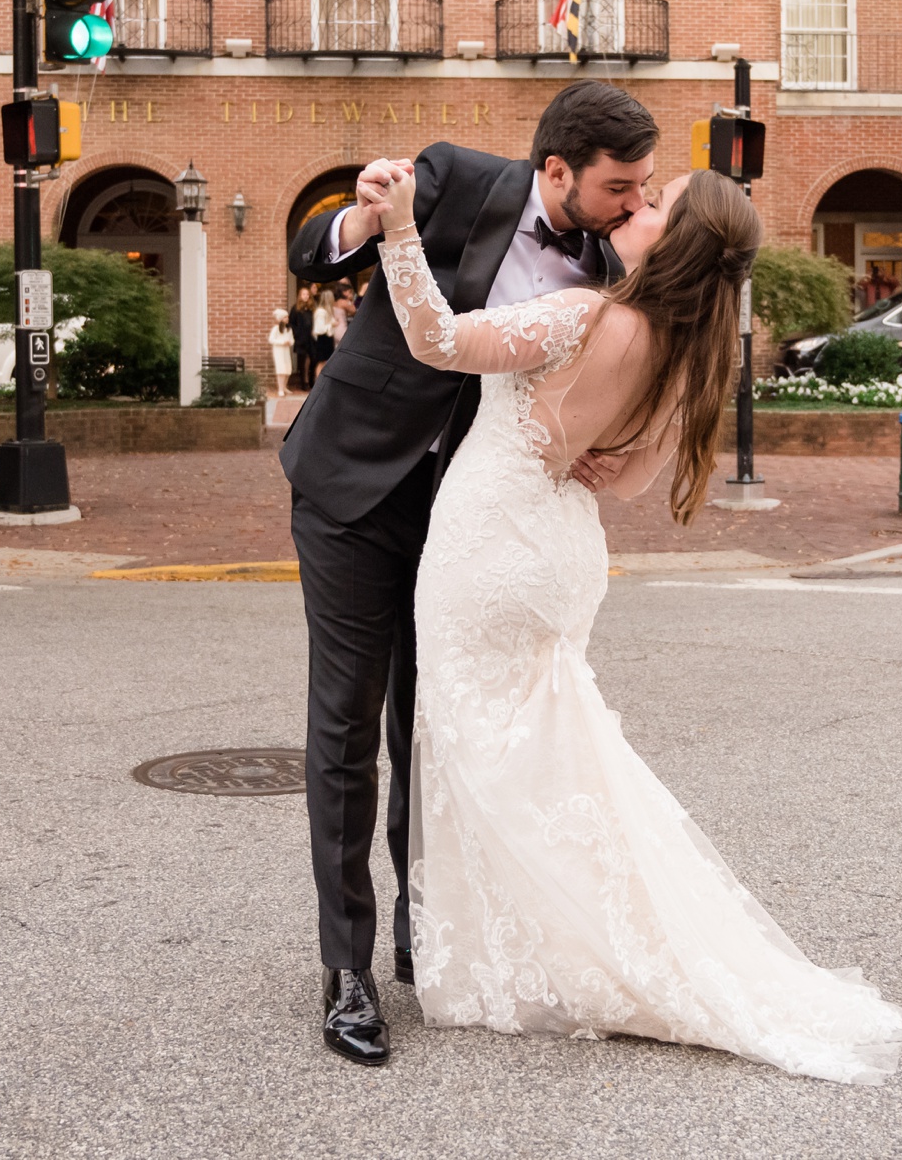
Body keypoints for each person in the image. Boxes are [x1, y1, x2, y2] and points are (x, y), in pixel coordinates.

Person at [372, 164, 902, 1085]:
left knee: (477, 748)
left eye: (656, 203)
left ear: (672, 241)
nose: (638, 207)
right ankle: (562, 937)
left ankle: (517, 952)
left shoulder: (587, 315)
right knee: (550, 752)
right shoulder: (686, 354)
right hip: (565, 553)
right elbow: (624, 481)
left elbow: (434, 339)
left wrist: (396, 230)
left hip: (491, 540)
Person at [282, 79, 657, 1067]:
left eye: (642, 188)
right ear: (556, 170)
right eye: (620, 185)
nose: (630, 203)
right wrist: (366, 213)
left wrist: (593, 446)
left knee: (436, 723)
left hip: (470, 522)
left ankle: (425, 934)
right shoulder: (452, 179)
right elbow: (312, 251)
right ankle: (347, 968)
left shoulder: (607, 269)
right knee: (347, 718)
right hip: (354, 489)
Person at [290, 286, 316, 389]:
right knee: (303, 361)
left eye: (307, 294)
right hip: (301, 339)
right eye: (303, 294)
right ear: (300, 296)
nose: (305, 296)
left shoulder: (312, 308)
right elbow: (291, 323)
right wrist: (297, 333)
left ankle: (311, 380)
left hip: (311, 339)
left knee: (312, 360)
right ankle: (304, 382)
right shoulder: (296, 308)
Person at [268, 308, 295, 398]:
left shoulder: (288, 329)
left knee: (287, 369)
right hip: (278, 351)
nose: (287, 319)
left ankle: (284, 387)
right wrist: (282, 342)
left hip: (286, 351)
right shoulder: (276, 329)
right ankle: (280, 388)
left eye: (287, 317)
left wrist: (289, 342)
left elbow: (292, 339)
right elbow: (271, 340)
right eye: (285, 317)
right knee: (281, 369)